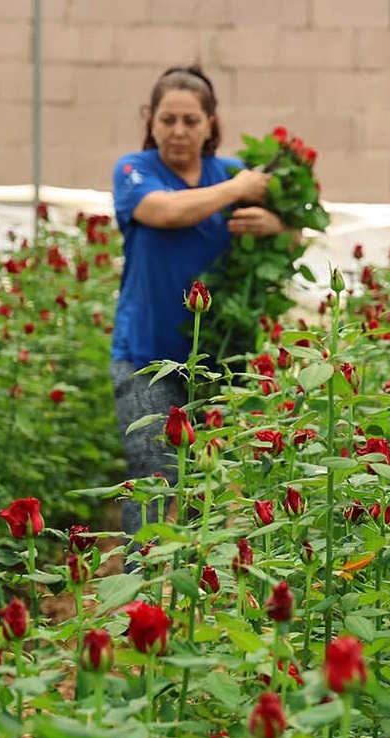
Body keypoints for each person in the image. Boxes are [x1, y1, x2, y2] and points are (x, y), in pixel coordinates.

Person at [109, 64, 283, 551]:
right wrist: (238, 190)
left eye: (190, 120)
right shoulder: (134, 170)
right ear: (150, 119)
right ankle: (139, 595)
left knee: (202, 482)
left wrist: (272, 224)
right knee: (151, 471)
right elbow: (164, 211)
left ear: (210, 122)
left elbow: (293, 235)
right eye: (168, 120)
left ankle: (190, 597)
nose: (178, 131)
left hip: (218, 362)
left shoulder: (228, 174)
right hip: (144, 354)